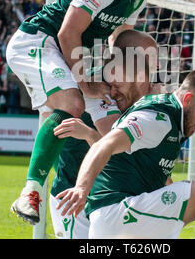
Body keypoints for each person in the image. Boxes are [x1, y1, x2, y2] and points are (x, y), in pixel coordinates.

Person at [6, 0, 175, 225]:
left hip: (77, 57)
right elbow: (67, 33)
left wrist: (126, 79)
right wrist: (86, 80)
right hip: (39, 41)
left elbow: (119, 39)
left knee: (109, 127)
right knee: (73, 104)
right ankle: (31, 192)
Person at [56, 67, 195, 239]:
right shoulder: (158, 119)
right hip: (119, 212)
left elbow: (157, 177)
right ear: (188, 99)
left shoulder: (170, 119)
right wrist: (81, 188)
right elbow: (103, 145)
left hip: (118, 218)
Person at [49, 29, 159, 239]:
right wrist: (90, 135)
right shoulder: (98, 86)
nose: (155, 65)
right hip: (75, 196)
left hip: (113, 198)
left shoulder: (137, 90)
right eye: (149, 58)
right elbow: (120, 150)